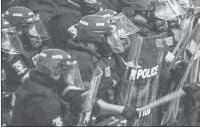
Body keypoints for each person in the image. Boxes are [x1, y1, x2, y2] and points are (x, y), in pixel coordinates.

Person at [11, 48, 139, 126]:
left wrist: (122, 110)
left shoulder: (47, 83)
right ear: (55, 73)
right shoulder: (45, 103)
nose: (70, 78)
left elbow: (83, 100)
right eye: (66, 73)